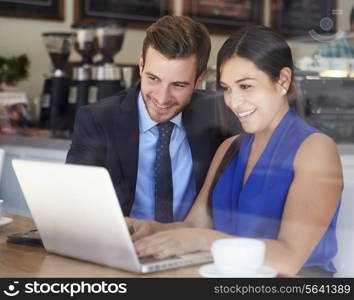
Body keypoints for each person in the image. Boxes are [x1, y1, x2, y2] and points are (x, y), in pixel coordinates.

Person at [126, 25, 343, 277]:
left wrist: (204, 240)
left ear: (283, 80)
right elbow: (193, 226)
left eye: (246, 86)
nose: (234, 102)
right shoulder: (229, 148)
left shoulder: (315, 149)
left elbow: (290, 258)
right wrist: (146, 228)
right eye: (227, 88)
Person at [66, 15, 239, 222]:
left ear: (199, 79)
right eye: (153, 79)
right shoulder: (97, 120)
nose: (162, 98)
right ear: (141, 64)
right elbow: (75, 204)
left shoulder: (221, 113)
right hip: (122, 245)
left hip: (189, 246)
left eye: (179, 85)